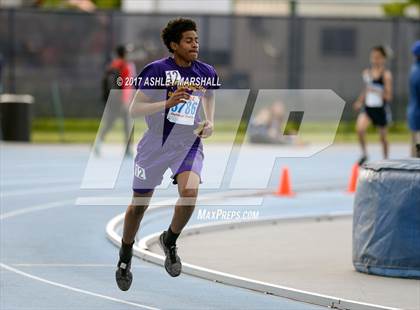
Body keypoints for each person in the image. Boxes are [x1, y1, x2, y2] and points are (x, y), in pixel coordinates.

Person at [115, 18, 219, 291]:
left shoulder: (205, 71)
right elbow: (135, 110)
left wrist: (209, 121)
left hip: (187, 143)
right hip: (155, 144)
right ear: (174, 45)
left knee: (190, 192)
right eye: (188, 40)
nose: (195, 44)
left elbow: (208, 96)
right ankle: (125, 256)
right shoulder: (157, 70)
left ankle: (170, 240)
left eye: (196, 39)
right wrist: (167, 102)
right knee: (139, 206)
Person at [353, 46, 393, 165]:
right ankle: (365, 154)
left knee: (383, 139)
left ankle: (386, 160)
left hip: (380, 109)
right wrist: (360, 101)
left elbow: (389, 96)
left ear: (383, 59)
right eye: (373, 57)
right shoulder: (367, 73)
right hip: (368, 109)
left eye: (378, 58)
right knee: (359, 129)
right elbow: (366, 89)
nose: (375, 60)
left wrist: (377, 91)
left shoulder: (386, 75)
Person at [96, 45, 134, 156]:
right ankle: (128, 148)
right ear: (125, 54)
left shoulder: (112, 65)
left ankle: (98, 143)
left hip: (112, 99)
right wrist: (125, 101)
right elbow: (125, 85)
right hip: (121, 100)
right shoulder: (125, 66)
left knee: (109, 123)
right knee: (128, 124)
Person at [408, 41, 420, 158]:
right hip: (417, 113)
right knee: (418, 145)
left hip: (413, 112)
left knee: (414, 143)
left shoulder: (414, 68)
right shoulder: (417, 72)